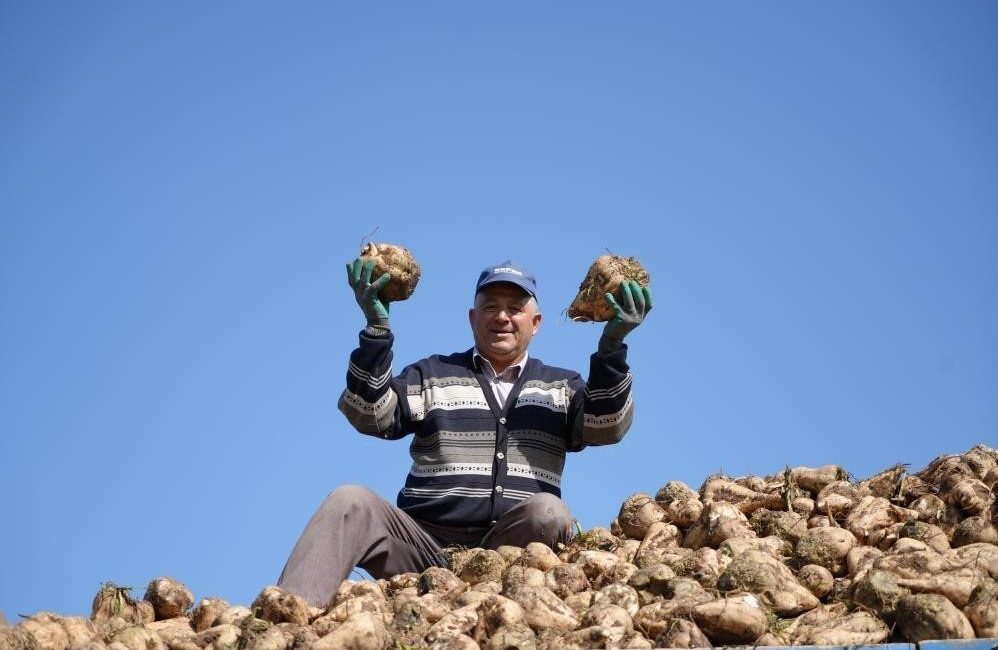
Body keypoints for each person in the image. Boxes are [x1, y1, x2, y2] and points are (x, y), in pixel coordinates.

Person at [277, 259, 652, 605]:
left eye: (515, 308)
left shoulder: (560, 386)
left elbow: (606, 426)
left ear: (535, 323)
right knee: (349, 500)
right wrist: (377, 331)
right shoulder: (432, 374)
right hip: (421, 547)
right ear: (473, 318)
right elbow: (369, 414)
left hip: (511, 551)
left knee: (549, 512)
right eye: (490, 306)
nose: (502, 316)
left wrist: (612, 347)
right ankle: (287, 615)